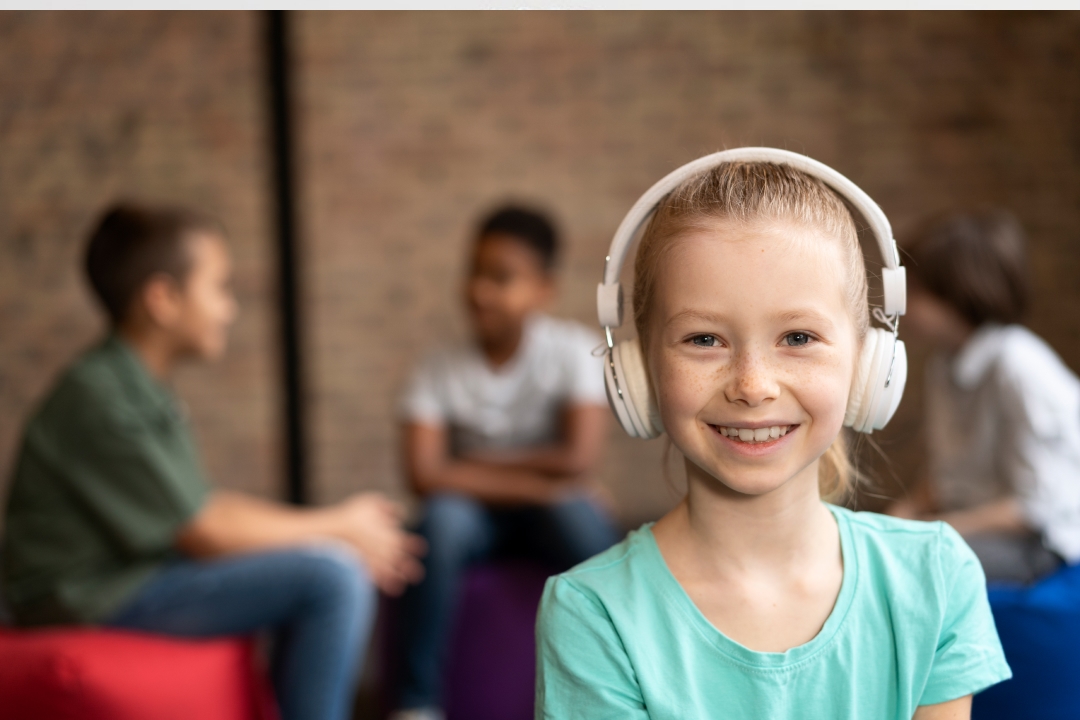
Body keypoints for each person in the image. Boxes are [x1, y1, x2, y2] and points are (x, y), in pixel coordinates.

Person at [535, 152, 1011, 719]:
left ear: (867, 367)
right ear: (637, 375)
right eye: (705, 340)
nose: (753, 386)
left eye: (799, 337)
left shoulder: (934, 578)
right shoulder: (595, 614)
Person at [1, 203, 426, 720]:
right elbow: (204, 529)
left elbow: (202, 510)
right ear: (162, 298)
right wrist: (340, 527)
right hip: (86, 598)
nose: (229, 308)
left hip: (133, 577)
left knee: (326, 564)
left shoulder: (135, 385)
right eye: (220, 287)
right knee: (331, 578)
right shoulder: (101, 396)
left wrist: (335, 529)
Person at [391, 206, 620, 720]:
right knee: (442, 520)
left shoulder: (572, 351)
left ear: (544, 289)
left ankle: (631, 671)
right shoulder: (437, 367)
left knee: (577, 516)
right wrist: (541, 484)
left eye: (502, 277)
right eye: (475, 271)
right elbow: (424, 476)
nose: (480, 290)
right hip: (476, 521)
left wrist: (470, 462)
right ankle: (415, 704)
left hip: (547, 516)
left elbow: (579, 456)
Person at [887, 209, 1080, 584]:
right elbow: (951, 473)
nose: (907, 302)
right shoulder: (943, 366)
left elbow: (1035, 508)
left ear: (958, 293)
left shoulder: (1018, 364)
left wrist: (941, 527)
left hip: (1043, 543)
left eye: (919, 290)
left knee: (922, 562)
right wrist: (905, 512)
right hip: (977, 526)